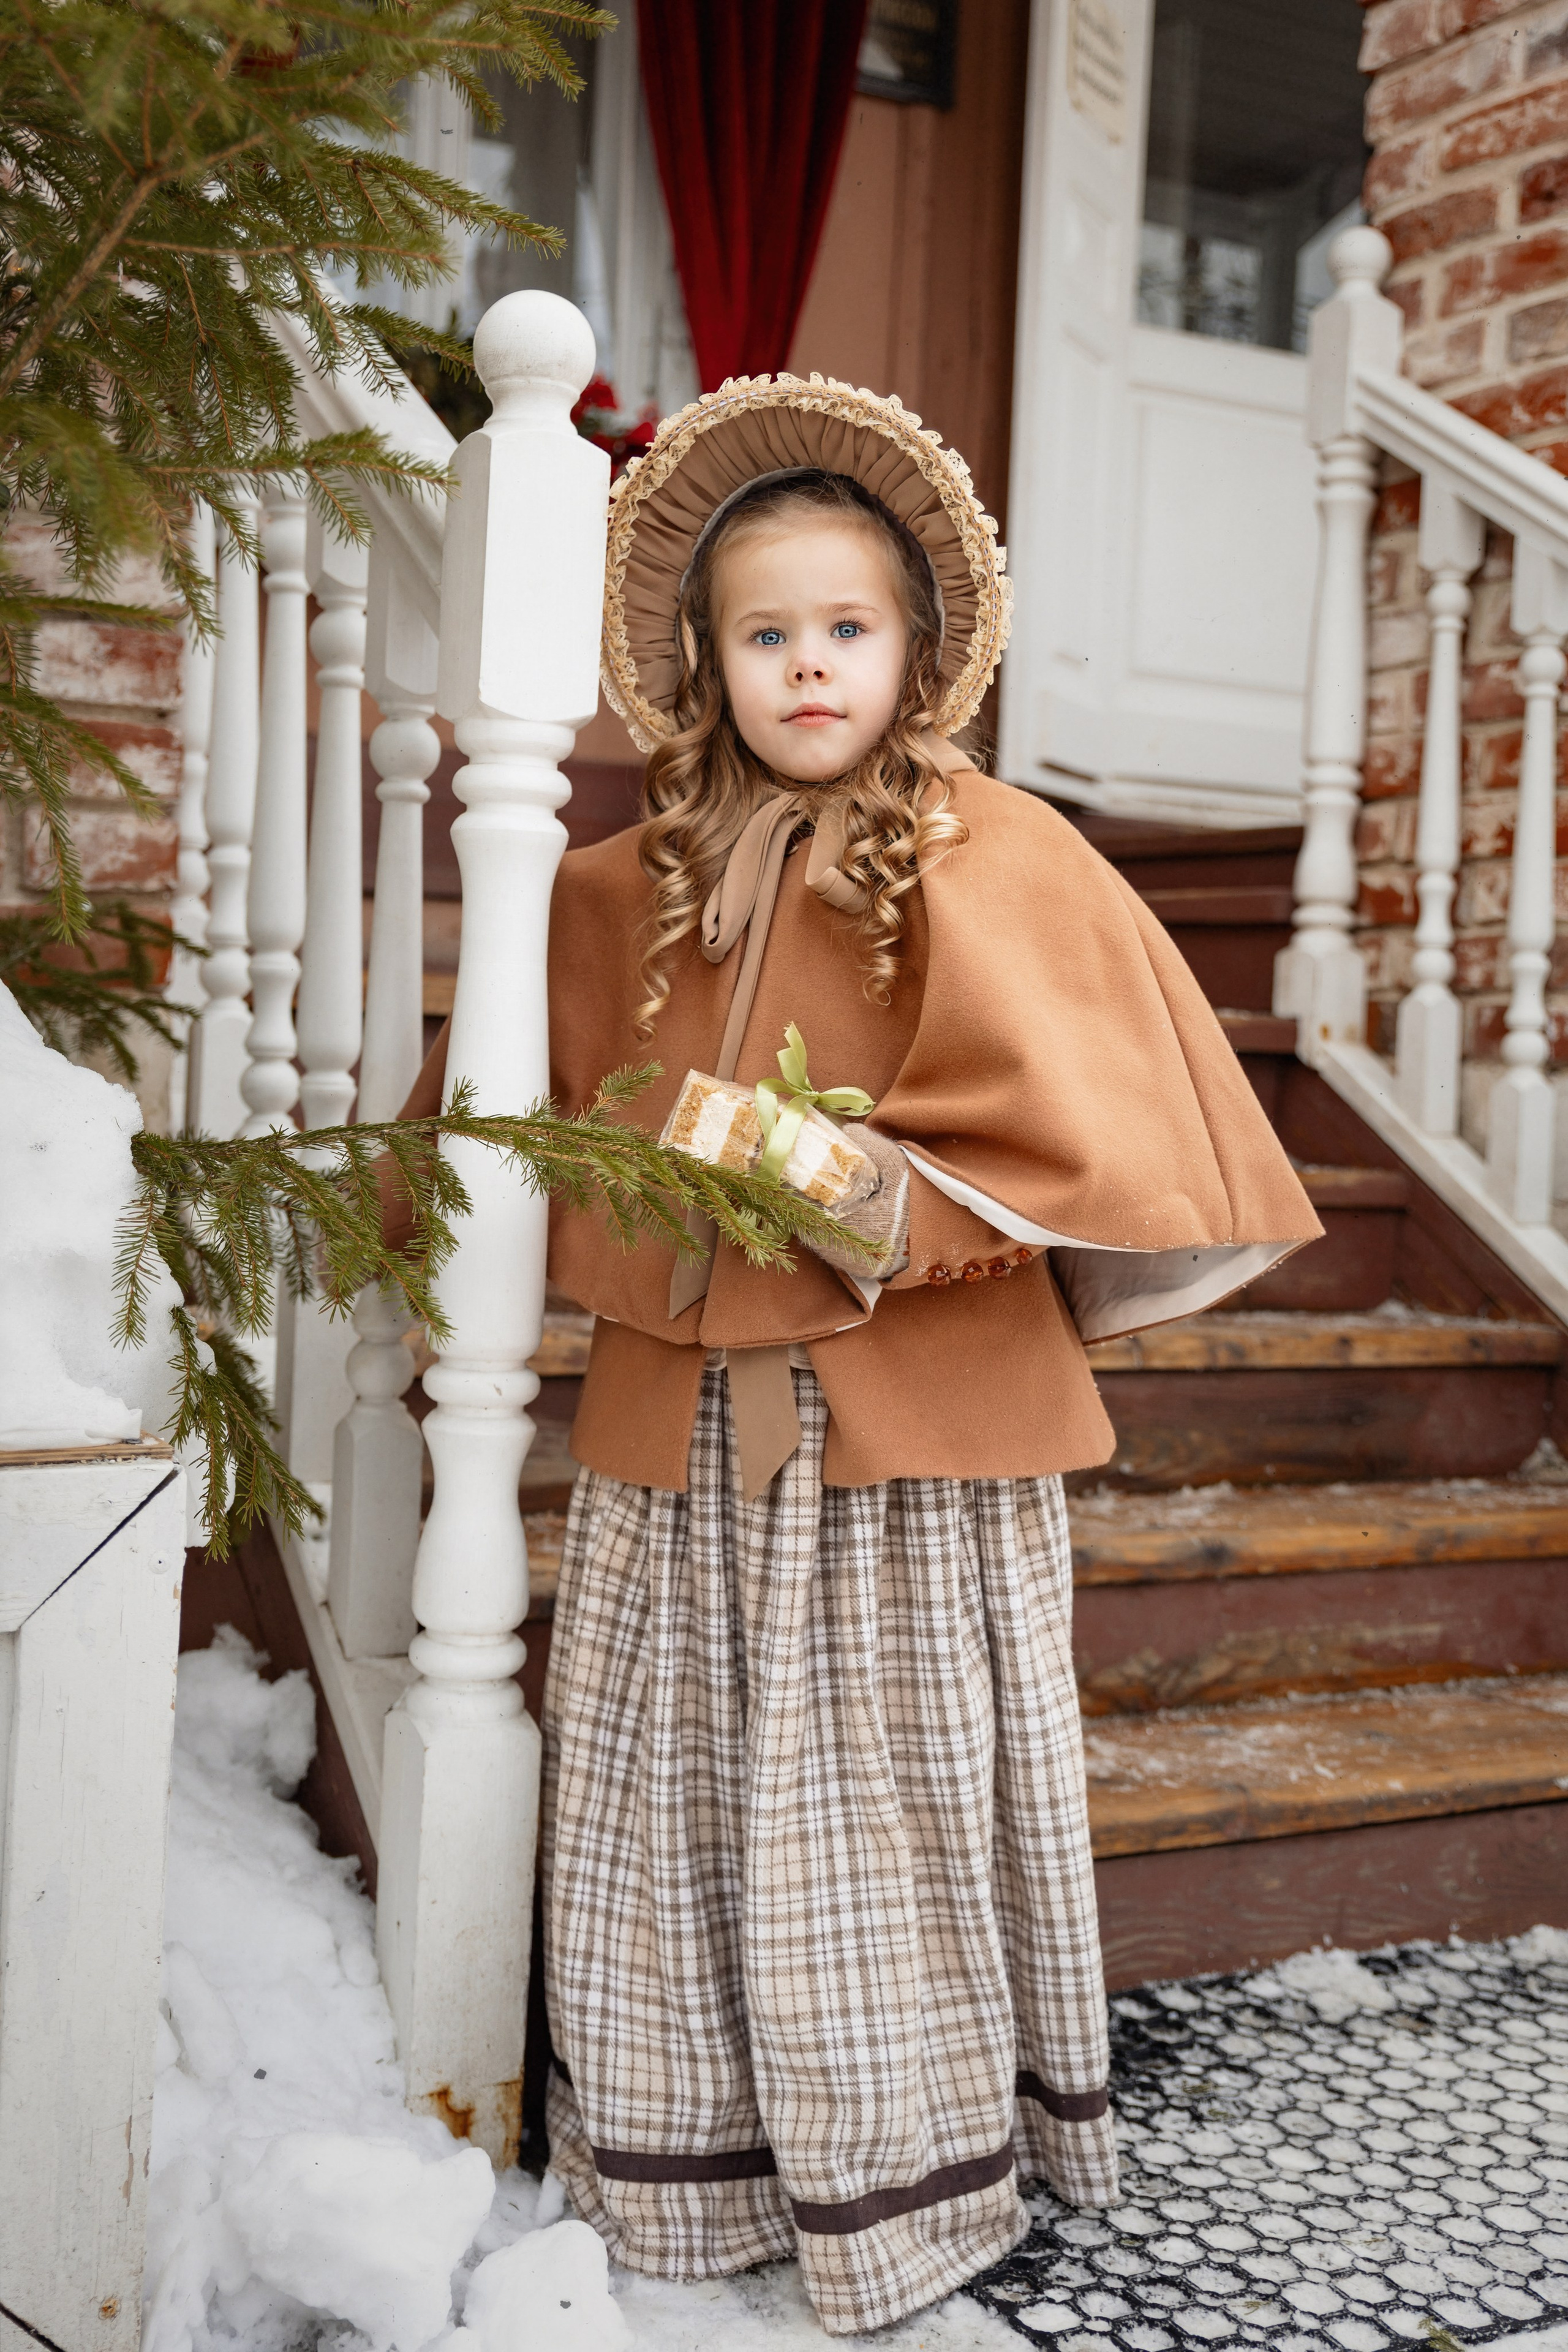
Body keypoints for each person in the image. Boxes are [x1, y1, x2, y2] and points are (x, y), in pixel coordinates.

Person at [395, 375, 1321, 2336]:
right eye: (765, 634)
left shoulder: (1006, 855)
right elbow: (502, 1137)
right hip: (688, 1440)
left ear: (914, 648)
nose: (808, 666)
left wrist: (875, 1188)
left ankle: (906, 2182)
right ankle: (691, 2167)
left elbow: (1098, 1148)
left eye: (847, 628)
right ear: (702, 661)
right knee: (676, 1799)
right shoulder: (603, 893)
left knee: (882, 1811)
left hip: (909, 1452)